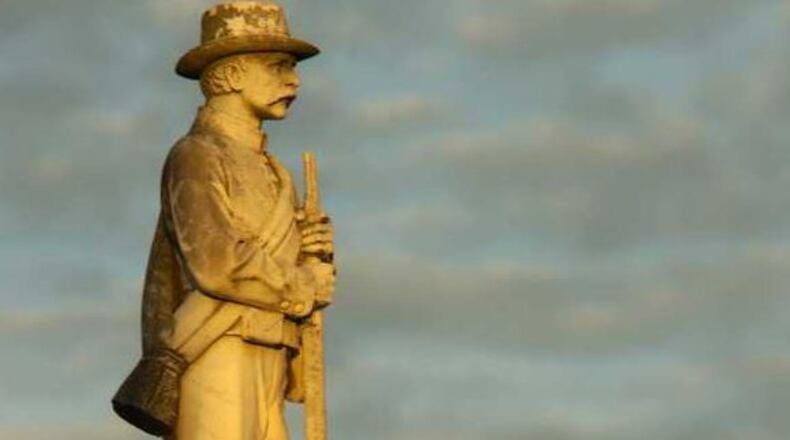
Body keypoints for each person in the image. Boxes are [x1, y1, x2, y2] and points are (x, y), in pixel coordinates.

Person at [112, 2, 334, 439]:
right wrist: (303, 285)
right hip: (218, 352)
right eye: (277, 66)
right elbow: (217, 265)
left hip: (272, 352)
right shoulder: (197, 154)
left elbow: (281, 270)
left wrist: (314, 255)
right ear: (229, 76)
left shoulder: (276, 173)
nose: (293, 80)